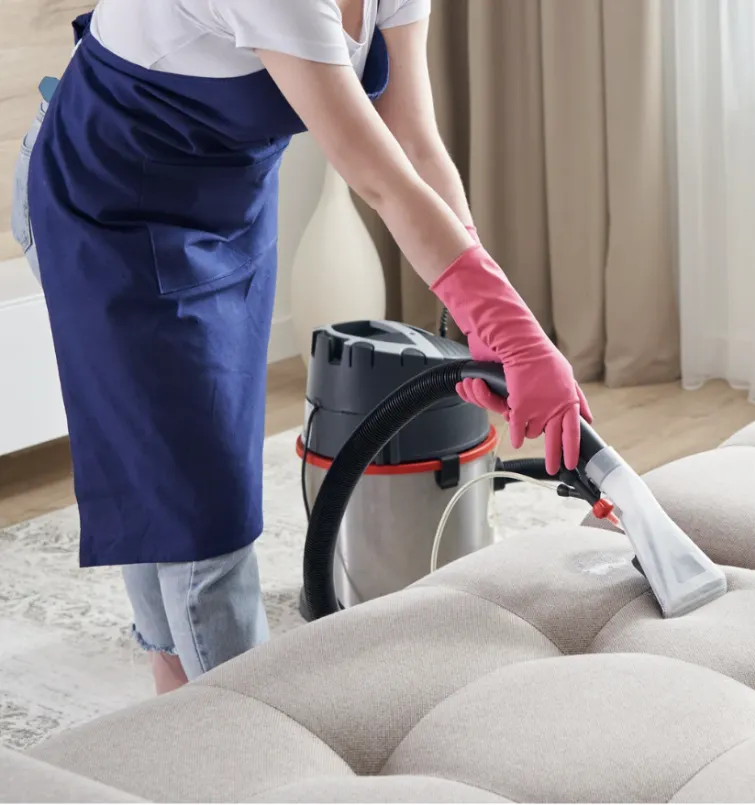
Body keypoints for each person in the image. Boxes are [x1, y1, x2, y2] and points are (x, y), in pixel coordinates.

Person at [12, 0, 591, 695]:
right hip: (106, 205)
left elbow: (413, 145)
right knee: (205, 503)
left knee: (171, 458)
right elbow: (380, 179)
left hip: (226, 206)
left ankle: (174, 687)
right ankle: (253, 727)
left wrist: (484, 324)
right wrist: (513, 328)